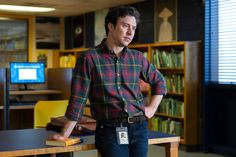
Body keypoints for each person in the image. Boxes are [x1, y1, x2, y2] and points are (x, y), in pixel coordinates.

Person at [50, 6, 166, 157]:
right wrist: (65, 133)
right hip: (110, 129)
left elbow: (160, 81)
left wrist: (152, 108)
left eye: (134, 28)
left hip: (139, 127)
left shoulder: (137, 58)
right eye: (125, 26)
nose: (130, 32)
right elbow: (78, 99)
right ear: (111, 27)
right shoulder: (89, 58)